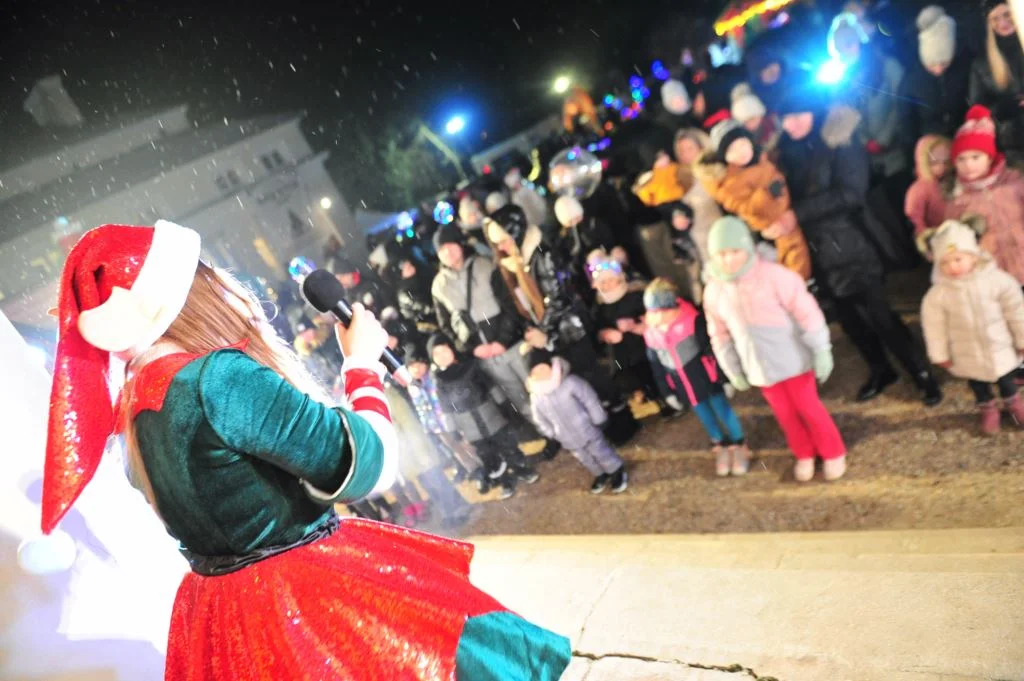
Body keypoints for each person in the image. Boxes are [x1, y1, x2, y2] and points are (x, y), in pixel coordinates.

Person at [31, 221, 571, 680]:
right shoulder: (214, 379)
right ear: (180, 295)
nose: (221, 283)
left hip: (218, 611)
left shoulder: (135, 403)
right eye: (204, 273)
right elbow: (366, 468)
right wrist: (361, 366)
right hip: (301, 596)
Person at [775, 91, 943, 405]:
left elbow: (852, 192)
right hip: (817, 251)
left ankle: (921, 373)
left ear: (814, 111)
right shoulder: (786, 152)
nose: (790, 124)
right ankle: (881, 370)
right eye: (784, 118)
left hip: (853, 243)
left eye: (797, 115)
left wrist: (797, 214)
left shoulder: (840, 140)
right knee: (849, 320)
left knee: (880, 315)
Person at [702, 217, 848, 483]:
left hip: (793, 360)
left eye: (735, 251)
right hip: (760, 369)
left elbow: (807, 312)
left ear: (747, 247)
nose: (729, 260)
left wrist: (821, 348)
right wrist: (733, 369)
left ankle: (833, 451)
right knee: (785, 415)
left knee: (809, 408)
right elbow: (719, 334)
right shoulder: (714, 291)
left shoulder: (775, 276)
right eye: (721, 254)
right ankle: (804, 453)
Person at [485, 205, 641, 446]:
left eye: (504, 240)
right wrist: (533, 331)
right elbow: (519, 306)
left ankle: (622, 423)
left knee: (592, 378)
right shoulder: (511, 266)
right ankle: (604, 427)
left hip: (569, 328)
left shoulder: (541, 254)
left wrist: (544, 331)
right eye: (498, 243)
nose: (502, 247)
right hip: (546, 334)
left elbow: (558, 297)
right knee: (577, 382)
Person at [430, 222, 560, 457]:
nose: (448, 252)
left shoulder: (483, 265)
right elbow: (446, 326)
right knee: (519, 398)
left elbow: (509, 305)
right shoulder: (439, 286)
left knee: (539, 386)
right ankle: (549, 435)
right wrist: (472, 348)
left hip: (511, 345)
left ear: (459, 245)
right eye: (442, 249)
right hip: (484, 356)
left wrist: (502, 339)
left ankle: (564, 427)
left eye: (451, 246)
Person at [920, 219, 1024, 435]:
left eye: (958, 259)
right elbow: (934, 327)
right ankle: (988, 410)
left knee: (1007, 381)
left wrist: (1021, 339)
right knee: (978, 385)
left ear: (973, 257)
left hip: (1000, 349)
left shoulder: (997, 281)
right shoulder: (938, 295)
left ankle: (1014, 405)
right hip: (967, 354)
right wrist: (939, 354)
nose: (953, 266)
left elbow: (1016, 311)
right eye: (945, 262)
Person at [643, 278, 751, 477]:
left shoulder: (693, 321)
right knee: (704, 415)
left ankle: (738, 442)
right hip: (685, 387)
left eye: (660, 311)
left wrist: (723, 378)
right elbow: (657, 366)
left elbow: (711, 352)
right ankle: (718, 442)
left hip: (708, 381)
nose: (655, 316)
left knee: (723, 410)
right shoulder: (651, 335)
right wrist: (667, 392)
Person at [696, 118, 812, 280]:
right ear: (724, 157)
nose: (741, 152)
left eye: (743, 144)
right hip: (771, 225)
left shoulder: (762, 161)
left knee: (798, 252)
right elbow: (747, 208)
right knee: (792, 258)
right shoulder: (730, 183)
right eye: (732, 150)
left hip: (788, 216)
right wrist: (767, 193)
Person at [428, 333, 539, 498]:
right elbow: (446, 409)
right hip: (469, 426)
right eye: (436, 354)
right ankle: (505, 480)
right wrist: (453, 431)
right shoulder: (440, 381)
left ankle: (521, 469)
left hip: (490, 415)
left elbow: (491, 387)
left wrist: (504, 406)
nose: (442, 356)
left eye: (444, 350)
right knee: (488, 455)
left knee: (507, 444)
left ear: (452, 349)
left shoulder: (471, 366)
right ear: (432, 358)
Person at [527, 349, 629, 494]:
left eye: (544, 368)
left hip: (586, 427)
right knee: (584, 457)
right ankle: (600, 474)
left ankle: (616, 470)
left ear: (552, 366)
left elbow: (589, 399)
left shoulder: (570, 383)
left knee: (600, 450)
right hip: (566, 437)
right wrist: (553, 433)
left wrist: (598, 417)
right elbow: (539, 419)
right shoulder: (536, 396)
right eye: (536, 371)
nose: (541, 374)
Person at [943, 105, 1024, 287]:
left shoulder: (1015, 183)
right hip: (991, 271)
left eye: (975, 157)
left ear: (989, 157)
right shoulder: (957, 198)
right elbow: (954, 237)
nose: (968, 165)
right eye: (961, 159)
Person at [589, 253, 661, 404]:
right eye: (603, 283)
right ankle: (642, 393)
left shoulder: (636, 296)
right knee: (623, 376)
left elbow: (654, 318)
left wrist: (635, 326)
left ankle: (661, 397)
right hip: (622, 358)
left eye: (610, 281)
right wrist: (605, 334)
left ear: (620, 279)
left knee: (652, 371)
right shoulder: (600, 308)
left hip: (647, 348)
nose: (607, 285)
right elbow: (597, 332)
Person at [900, 6, 972, 144]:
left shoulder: (965, 70)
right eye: (931, 64)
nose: (938, 70)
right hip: (929, 150)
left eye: (944, 63)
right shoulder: (911, 81)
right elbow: (907, 123)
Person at [969, 1, 1024, 161]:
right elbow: (978, 108)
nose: (1002, 22)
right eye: (995, 18)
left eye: (1007, 14)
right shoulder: (982, 63)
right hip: (1012, 146)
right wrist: (1005, 108)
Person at [672, 128, 722, 267]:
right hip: (701, 236)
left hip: (722, 225)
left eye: (690, 148)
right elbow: (674, 205)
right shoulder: (679, 177)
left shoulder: (714, 168)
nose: (687, 154)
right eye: (682, 151)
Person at [906, 135, 952, 238]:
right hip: (938, 237)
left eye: (945, 162)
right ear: (924, 161)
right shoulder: (919, 190)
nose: (941, 167)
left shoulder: (951, 180)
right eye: (934, 163)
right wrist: (927, 241)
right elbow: (915, 220)